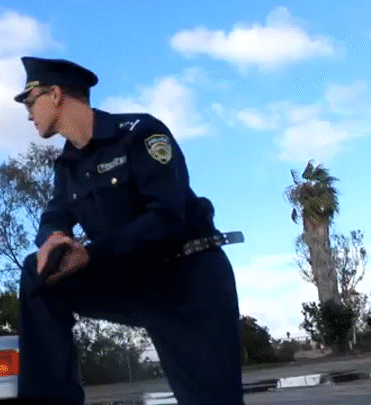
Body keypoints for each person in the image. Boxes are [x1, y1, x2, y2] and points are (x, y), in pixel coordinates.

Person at [14, 56, 244, 405]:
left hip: (188, 279)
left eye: (30, 102)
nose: (29, 114)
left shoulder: (140, 133)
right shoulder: (68, 164)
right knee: (39, 272)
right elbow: (55, 214)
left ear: (56, 94)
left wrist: (91, 254)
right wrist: (54, 239)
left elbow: (167, 217)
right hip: (130, 279)